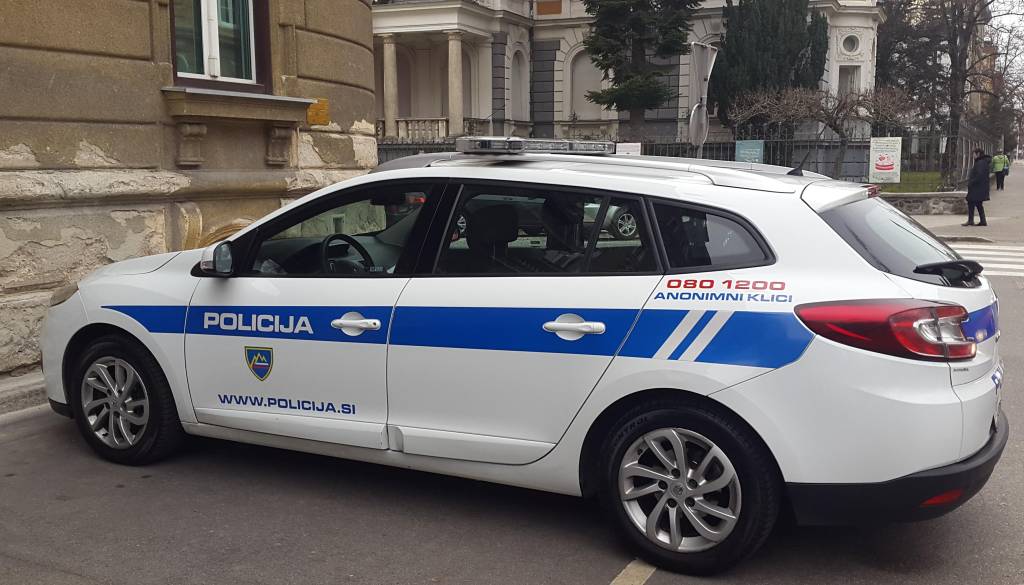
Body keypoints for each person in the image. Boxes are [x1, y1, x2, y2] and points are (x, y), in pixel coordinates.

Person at [964, 148, 991, 227]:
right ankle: (982, 221)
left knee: (971, 202)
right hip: (980, 187)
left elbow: (979, 175)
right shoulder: (983, 162)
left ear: (978, 154)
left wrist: (971, 182)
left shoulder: (980, 163)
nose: (973, 156)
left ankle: (971, 220)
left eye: (974, 154)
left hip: (977, 187)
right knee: (978, 204)